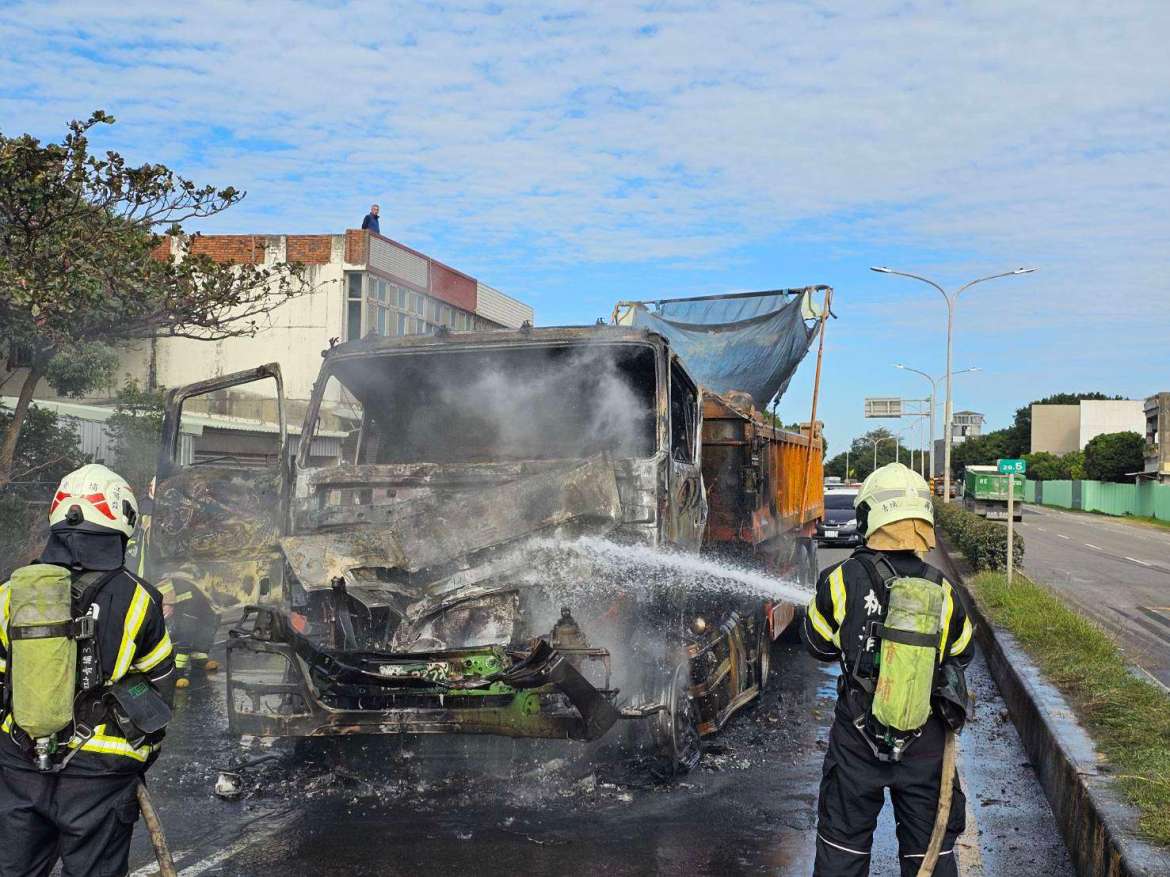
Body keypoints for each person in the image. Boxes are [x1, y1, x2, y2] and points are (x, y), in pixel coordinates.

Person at [0, 464, 175, 877]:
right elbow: (160, 687)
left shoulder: (10, 592)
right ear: (121, 521)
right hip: (101, 774)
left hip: (19, 763)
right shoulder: (138, 598)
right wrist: (139, 757)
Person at [802, 462, 974, 877]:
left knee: (841, 847)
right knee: (928, 856)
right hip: (925, 735)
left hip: (858, 738)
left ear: (870, 517)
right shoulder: (941, 587)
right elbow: (961, 651)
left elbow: (818, 645)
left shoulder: (840, 579)